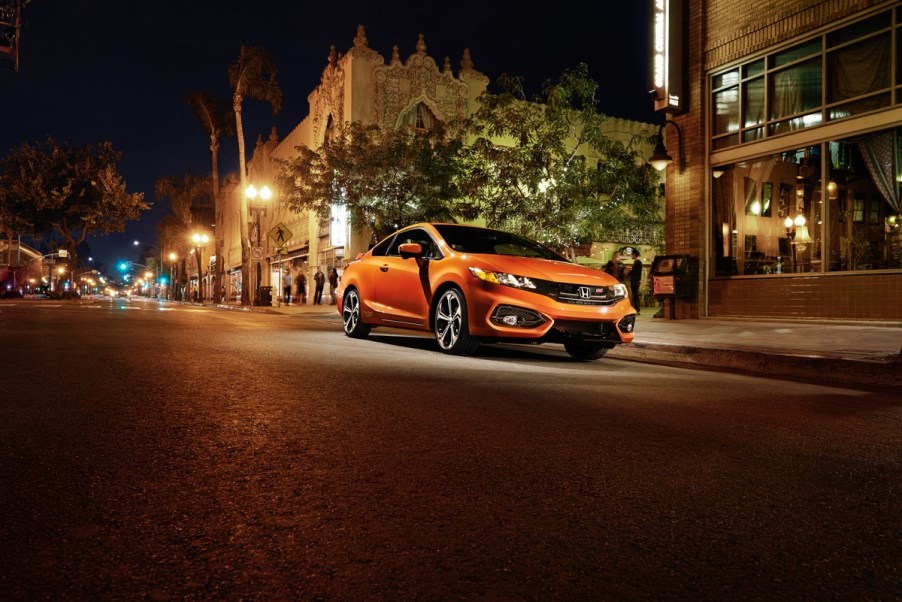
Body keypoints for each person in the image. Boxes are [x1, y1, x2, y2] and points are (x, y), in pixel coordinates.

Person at [629, 248, 643, 314]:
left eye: (632, 254)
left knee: (635, 295)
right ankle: (636, 309)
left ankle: (637, 309)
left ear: (634, 254)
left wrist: (629, 271)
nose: (631, 256)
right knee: (635, 295)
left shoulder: (638, 262)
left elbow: (636, 272)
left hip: (635, 281)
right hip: (635, 280)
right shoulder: (636, 262)